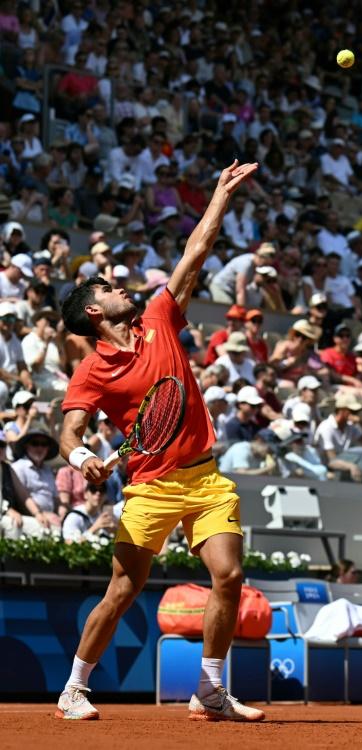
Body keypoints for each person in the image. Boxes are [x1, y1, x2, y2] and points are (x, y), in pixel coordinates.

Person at [56, 160, 264, 722]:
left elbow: (196, 250)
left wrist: (219, 196)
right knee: (123, 590)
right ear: (95, 312)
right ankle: (74, 687)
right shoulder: (93, 370)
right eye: (107, 287)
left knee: (230, 576)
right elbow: (69, 431)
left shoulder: (160, 315)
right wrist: (84, 457)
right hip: (150, 487)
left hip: (206, 476)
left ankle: (209, 689)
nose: (121, 285)